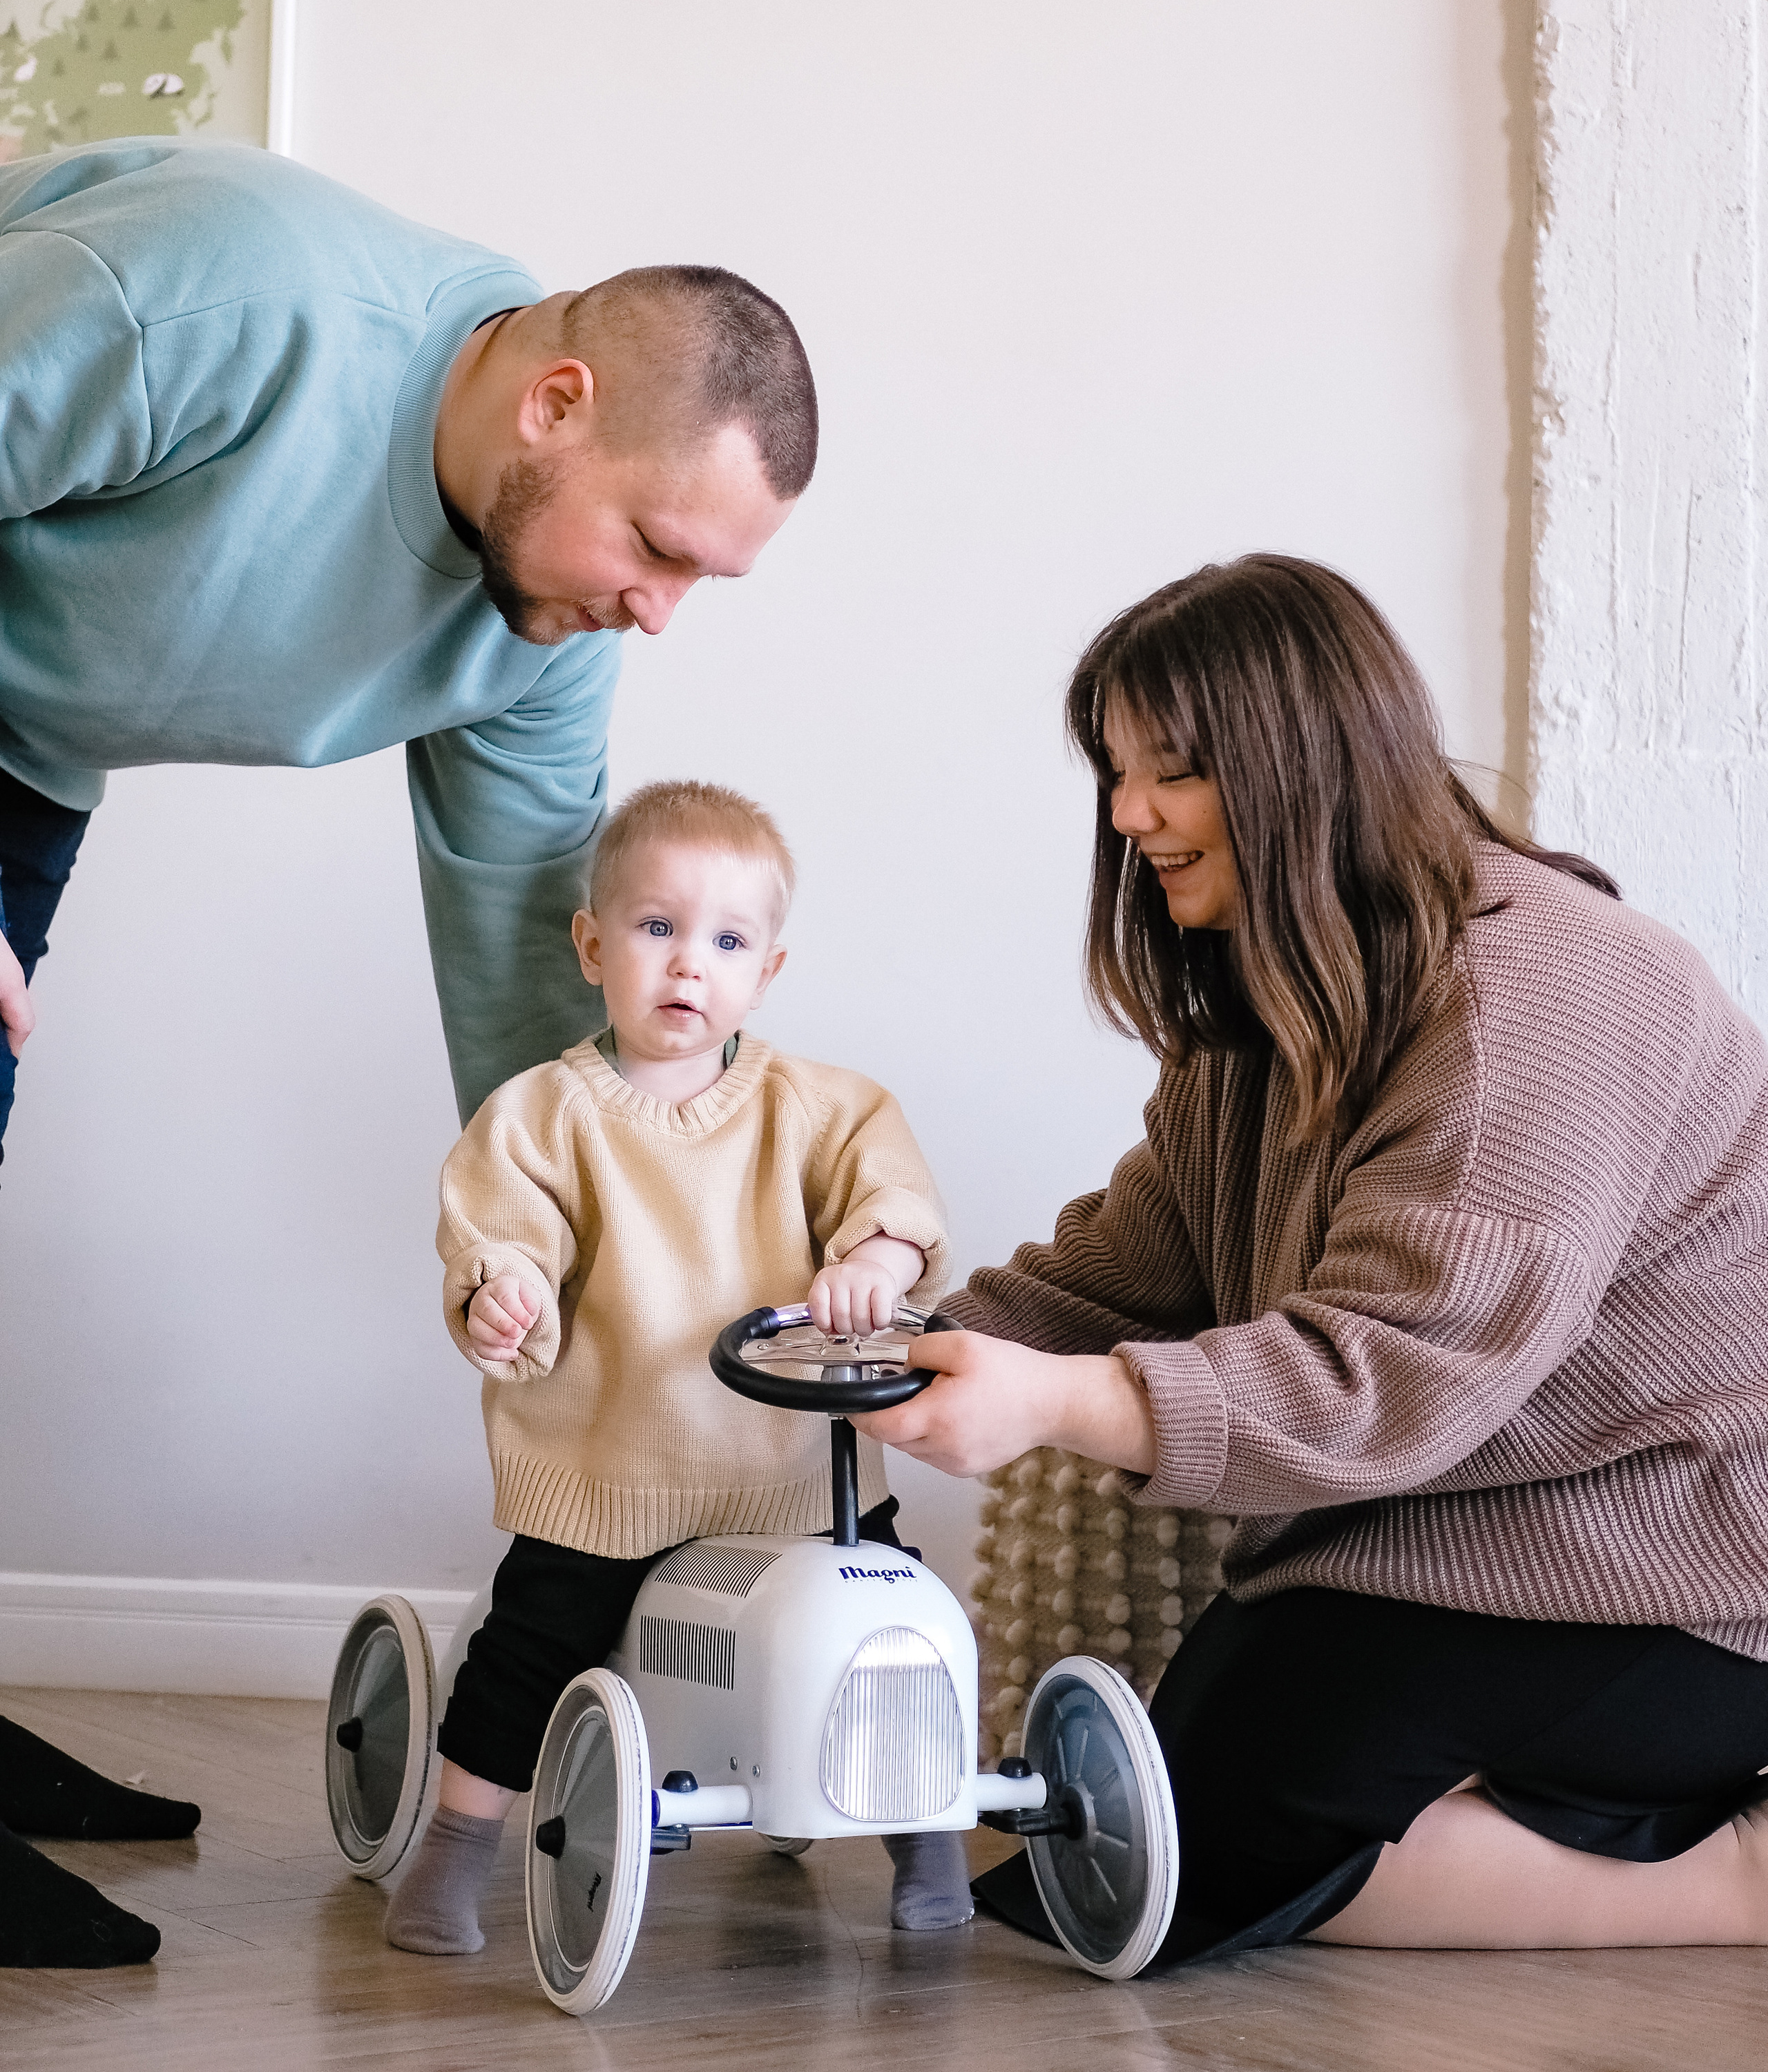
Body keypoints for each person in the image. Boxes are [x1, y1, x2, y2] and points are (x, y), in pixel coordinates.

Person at [0, 141, 817, 1969]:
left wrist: (599, 1243)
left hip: (22, 740)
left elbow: (533, 945)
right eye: (658, 549)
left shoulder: (546, 635)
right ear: (555, 399)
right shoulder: (228, 301)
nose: (659, 613)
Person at [863, 553, 1768, 1963]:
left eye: (1169, 769)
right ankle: (1527, 1798)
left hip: (1682, 1566)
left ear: (1303, 759)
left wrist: (1051, 1402)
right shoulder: (1277, 999)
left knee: (1163, 1863)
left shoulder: (1545, 990)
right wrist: (885, 1345)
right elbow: (1139, 1258)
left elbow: (1387, 1372)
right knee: (1130, 1841)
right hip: (1455, 1531)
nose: (1126, 815)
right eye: (1113, 770)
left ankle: (1733, 1887)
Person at [382, 780, 972, 1953]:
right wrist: (505, 1292)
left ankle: (930, 1830)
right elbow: (502, 1231)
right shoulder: (540, 1115)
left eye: (727, 939)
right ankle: (457, 1844)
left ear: (768, 968)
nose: (688, 964)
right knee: (532, 1644)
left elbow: (892, 1191)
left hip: (794, 1470)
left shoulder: (820, 1106)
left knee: (892, 1634)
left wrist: (879, 1251)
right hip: (612, 1466)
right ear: (593, 944)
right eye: (657, 927)